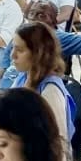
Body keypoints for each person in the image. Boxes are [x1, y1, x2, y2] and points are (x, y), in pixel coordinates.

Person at [9, 22, 75, 153]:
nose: (13, 55)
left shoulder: (51, 90)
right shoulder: (21, 78)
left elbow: (58, 143)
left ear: (38, 54)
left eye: (20, 50)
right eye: (13, 48)